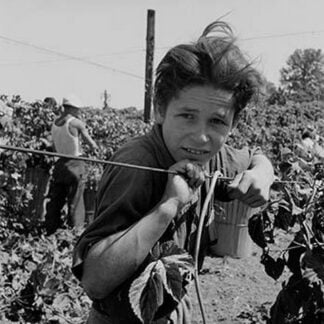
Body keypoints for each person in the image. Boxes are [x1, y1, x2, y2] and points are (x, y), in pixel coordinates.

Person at [72, 21, 275, 323]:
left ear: (233, 124)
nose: (201, 136)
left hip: (175, 310)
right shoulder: (138, 163)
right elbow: (95, 280)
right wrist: (167, 206)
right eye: (187, 116)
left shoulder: (212, 155)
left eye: (217, 122)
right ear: (160, 110)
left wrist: (263, 171)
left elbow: (253, 156)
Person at [44, 94, 98, 235]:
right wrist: (94, 148)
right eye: (77, 109)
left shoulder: (55, 123)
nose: (79, 112)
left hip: (60, 165)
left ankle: (50, 229)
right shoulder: (76, 123)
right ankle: (76, 231)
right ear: (73, 109)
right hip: (75, 164)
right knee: (76, 199)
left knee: (56, 198)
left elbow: (55, 148)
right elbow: (91, 143)